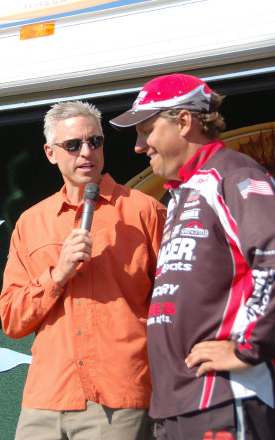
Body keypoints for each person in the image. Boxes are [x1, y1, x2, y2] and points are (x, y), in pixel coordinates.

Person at [110, 73, 275, 439]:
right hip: (177, 403)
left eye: (146, 131)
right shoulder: (182, 193)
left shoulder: (233, 173)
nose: (139, 146)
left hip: (226, 395)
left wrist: (249, 347)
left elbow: (272, 254)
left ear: (184, 122)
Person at [0, 101, 166, 440]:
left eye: (95, 141)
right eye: (73, 145)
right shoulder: (31, 222)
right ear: (51, 153)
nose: (86, 152)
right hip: (46, 399)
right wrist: (57, 274)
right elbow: (12, 319)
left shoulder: (145, 211)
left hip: (119, 396)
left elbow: (174, 306)